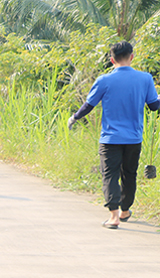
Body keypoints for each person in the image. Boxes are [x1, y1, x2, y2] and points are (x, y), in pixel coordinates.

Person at [68, 40, 159, 229]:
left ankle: (114, 216)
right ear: (132, 57)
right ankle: (125, 210)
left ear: (112, 60)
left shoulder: (104, 80)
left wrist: (74, 118)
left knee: (109, 175)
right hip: (134, 139)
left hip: (110, 139)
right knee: (129, 174)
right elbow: (153, 106)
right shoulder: (145, 79)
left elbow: (89, 106)